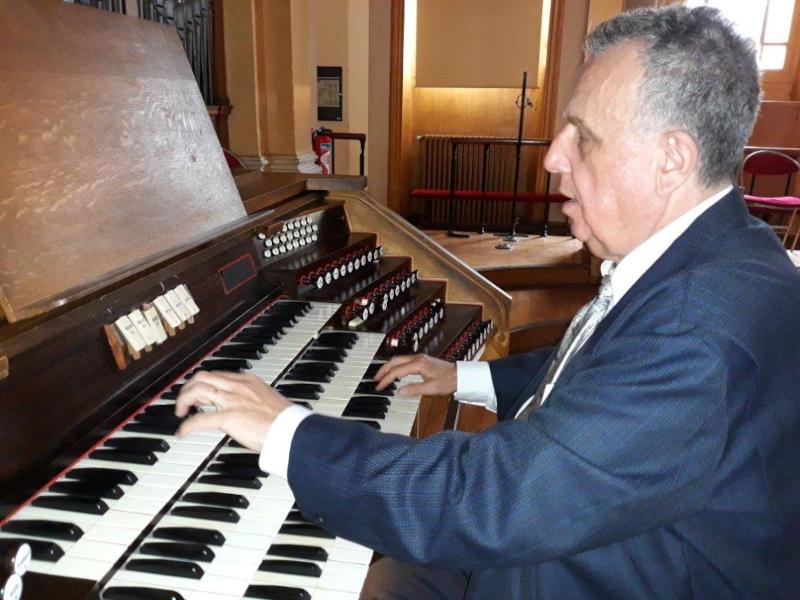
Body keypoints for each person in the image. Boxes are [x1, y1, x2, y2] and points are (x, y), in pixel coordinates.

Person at [176, 6, 800, 598]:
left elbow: (496, 503)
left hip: (611, 574)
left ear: (672, 160)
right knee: (388, 575)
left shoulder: (698, 323)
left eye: (582, 136)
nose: (553, 157)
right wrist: (464, 375)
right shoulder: (721, 256)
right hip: (610, 543)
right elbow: (608, 368)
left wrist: (287, 431)